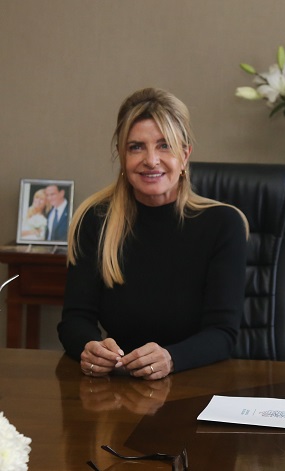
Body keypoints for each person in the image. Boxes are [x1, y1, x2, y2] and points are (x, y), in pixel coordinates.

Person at [58, 87, 248, 380]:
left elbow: (222, 334)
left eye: (164, 146)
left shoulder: (224, 224)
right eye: (136, 147)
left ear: (185, 155)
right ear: (122, 156)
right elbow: (75, 319)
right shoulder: (94, 219)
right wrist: (89, 347)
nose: (151, 160)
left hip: (195, 385)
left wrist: (171, 358)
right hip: (118, 387)